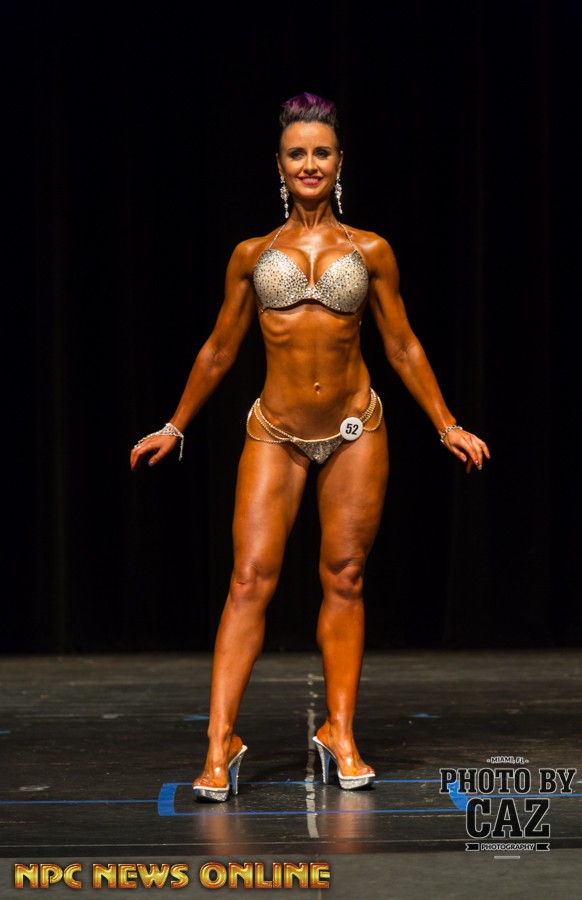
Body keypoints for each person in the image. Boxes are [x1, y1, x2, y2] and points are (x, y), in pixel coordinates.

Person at [130, 92, 490, 802]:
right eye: (297, 153)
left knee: (346, 578)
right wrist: (175, 424)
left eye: (321, 152)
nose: (309, 164)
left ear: (340, 162)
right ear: (279, 164)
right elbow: (220, 348)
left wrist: (446, 422)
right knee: (248, 581)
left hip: (357, 430)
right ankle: (219, 741)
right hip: (276, 433)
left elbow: (402, 344)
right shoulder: (253, 255)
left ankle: (340, 731)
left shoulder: (371, 251)